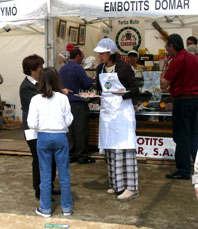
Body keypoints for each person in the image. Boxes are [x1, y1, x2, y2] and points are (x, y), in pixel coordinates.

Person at [94, 38, 139, 201]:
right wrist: (91, 97)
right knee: (111, 149)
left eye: (103, 53)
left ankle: (131, 188)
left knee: (124, 149)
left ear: (111, 52)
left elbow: (135, 89)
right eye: (99, 53)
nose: (100, 56)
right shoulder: (100, 68)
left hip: (122, 114)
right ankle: (116, 183)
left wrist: (123, 94)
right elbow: (99, 91)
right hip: (107, 115)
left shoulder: (124, 68)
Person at [27, 67, 73, 217]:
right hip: (60, 137)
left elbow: (31, 123)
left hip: (44, 137)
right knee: (64, 174)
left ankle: (45, 208)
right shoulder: (63, 98)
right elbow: (69, 120)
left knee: (45, 174)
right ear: (57, 80)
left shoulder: (36, 99)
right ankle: (67, 208)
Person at [19, 54, 60, 200]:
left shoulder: (41, 83)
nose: (42, 70)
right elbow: (41, 101)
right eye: (39, 68)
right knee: (38, 158)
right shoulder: (26, 87)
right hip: (32, 129)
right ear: (32, 70)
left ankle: (49, 185)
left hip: (44, 127)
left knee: (52, 157)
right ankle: (39, 189)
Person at [160, 34, 198, 180]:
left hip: (183, 100)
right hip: (195, 99)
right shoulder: (194, 58)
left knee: (182, 136)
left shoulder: (177, 60)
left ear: (172, 46)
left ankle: (183, 170)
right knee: (194, 136)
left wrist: (165, 65)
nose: (166, 50)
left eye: (167, 47)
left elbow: (163, 85)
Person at [59, 47, 95, 164]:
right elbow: (85, 84)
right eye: (82, 57)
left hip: (65, 103)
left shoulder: (62, 69)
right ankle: (82, 156)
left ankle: (71, 155)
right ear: (78, 56)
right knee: (81, 130)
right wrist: (92, 79)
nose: (83, 59)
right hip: (78, 103)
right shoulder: (78, 68)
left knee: (69, 131)